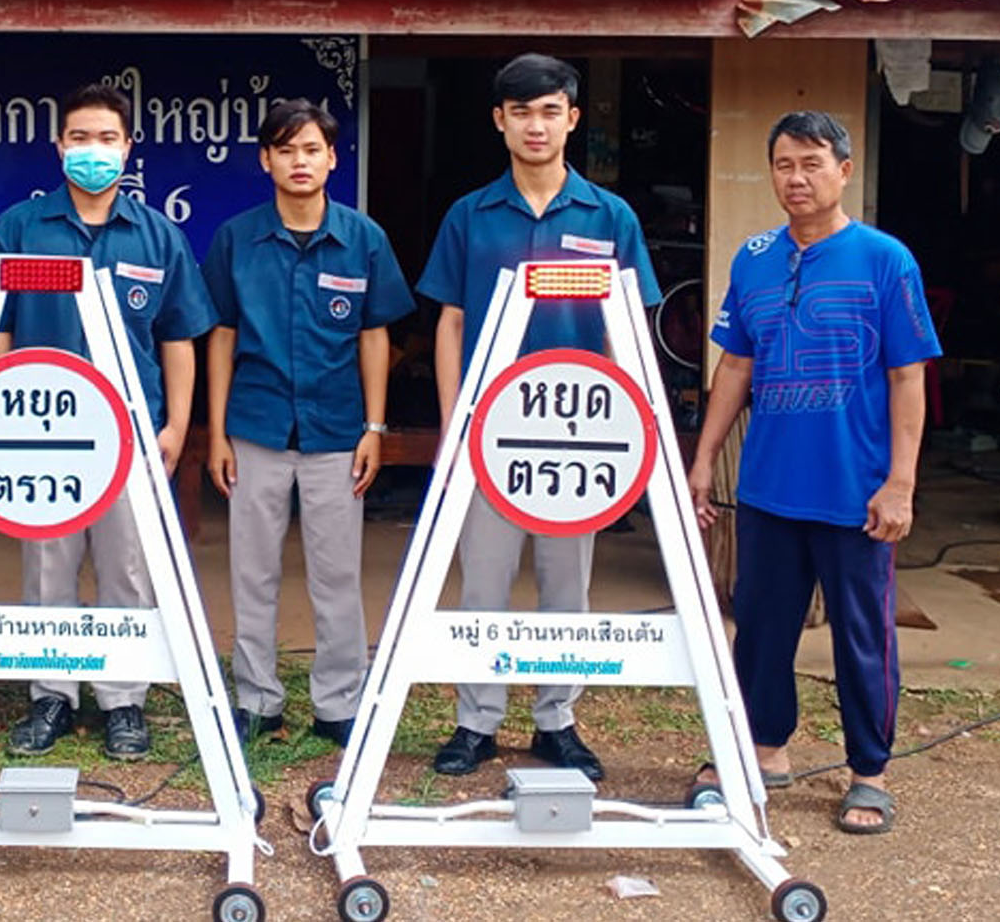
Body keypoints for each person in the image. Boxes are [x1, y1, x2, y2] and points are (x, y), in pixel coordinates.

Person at [688, 110, 938, 835]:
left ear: (845, 171)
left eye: (812, 163)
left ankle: (869, 771)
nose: (796, 178)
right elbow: (736, 363)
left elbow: (908, 377)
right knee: (761, 629)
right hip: (769, 486)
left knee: (863, 634)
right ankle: (765, 751)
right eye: (784, 164)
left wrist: (901, 482)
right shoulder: (754, 258)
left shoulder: (886, 260)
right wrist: (703, 459)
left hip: (855, 490)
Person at [416, 53, 659, 783]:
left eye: (550, 110)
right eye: (521, 111)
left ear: (573, 119)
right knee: (482, 582)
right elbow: (451, 323)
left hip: (579, 439)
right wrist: (454, 424)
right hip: (491, 433)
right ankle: (475, 722)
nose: (536, 124)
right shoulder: (470, 215)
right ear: (499, 120)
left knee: (566, 586)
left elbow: (628, 328)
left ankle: (557, 718)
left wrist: (631, 426)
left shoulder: (610, 216)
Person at [0, 82, 216, 760]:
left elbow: (179, 337)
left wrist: (175, 429)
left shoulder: (157, 235)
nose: (92, 151)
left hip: (130, 434)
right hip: (41, 434)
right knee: (48, 566)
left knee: (127, 569)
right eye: (79, 138)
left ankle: (122, 700)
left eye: (106, 139)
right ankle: (51, 694)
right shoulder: (19, 229)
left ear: (128, 148)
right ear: (59, 147)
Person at [203, 98, 414, 748]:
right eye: (286, 149)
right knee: (253, 568)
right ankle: (258, 699)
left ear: (333, 158)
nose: (300, 161)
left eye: (312, 149)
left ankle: (338, 701)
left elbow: (375, 336)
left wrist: (375, 426)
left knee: (336, 572)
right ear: (266, 159)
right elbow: (220, 334)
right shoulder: (237, 238)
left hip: (337, 432)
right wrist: (215, 433)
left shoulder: (363, 238)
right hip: (257, 425)